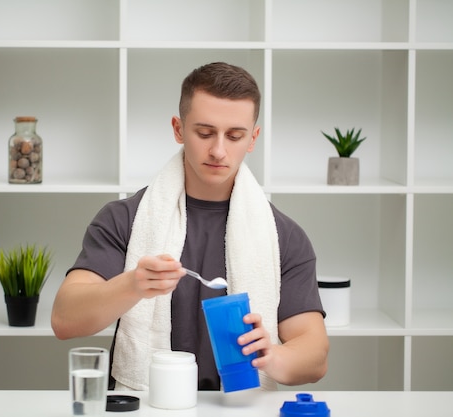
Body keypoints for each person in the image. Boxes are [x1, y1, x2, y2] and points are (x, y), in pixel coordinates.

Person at [51, 62, 328, 391]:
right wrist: (133, 285)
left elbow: (315, 355)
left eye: (235, 135)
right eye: (205, 132)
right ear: (178, 129)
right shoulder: (123, 219)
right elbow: (65, 319)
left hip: (239, 409)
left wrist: (273, 356)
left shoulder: (283, 235)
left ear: (253, 138)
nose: (218, 150)